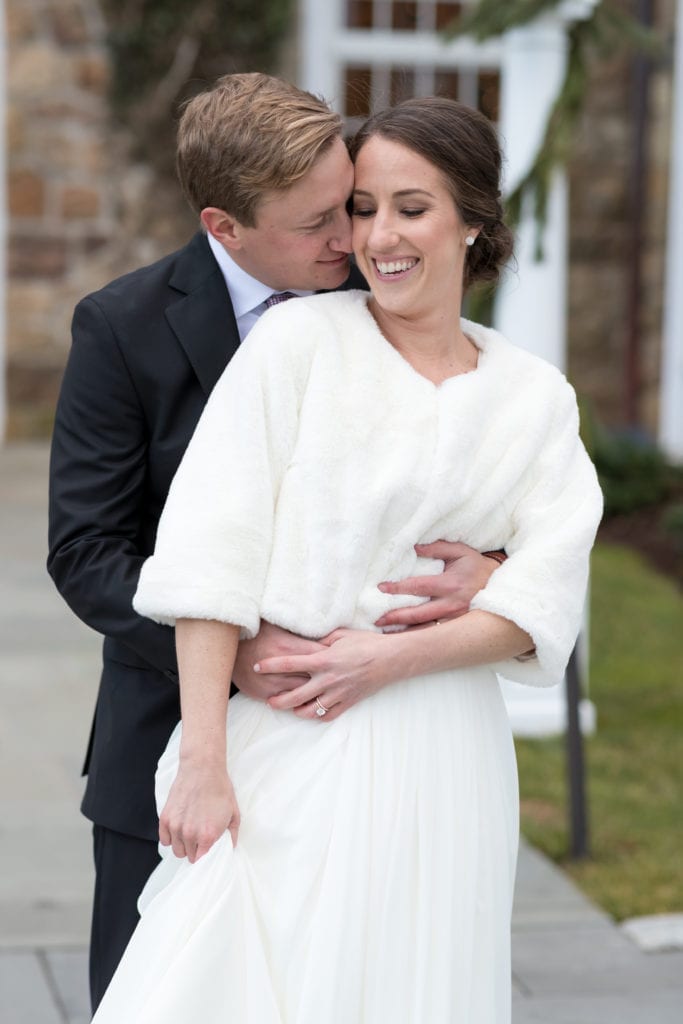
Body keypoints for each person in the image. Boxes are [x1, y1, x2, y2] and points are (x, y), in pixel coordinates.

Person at [89, 96, 602, 1023]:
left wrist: (401, 651)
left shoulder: (534, 398)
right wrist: (204, 757)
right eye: (362, 209)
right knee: (229, 983)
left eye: (411, 207)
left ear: (472, 221)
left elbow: (548, 592)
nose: (376, 235)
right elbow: (210, 555)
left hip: (448, 752)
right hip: (295, 738)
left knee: (415, 986)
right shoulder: (299, 343)